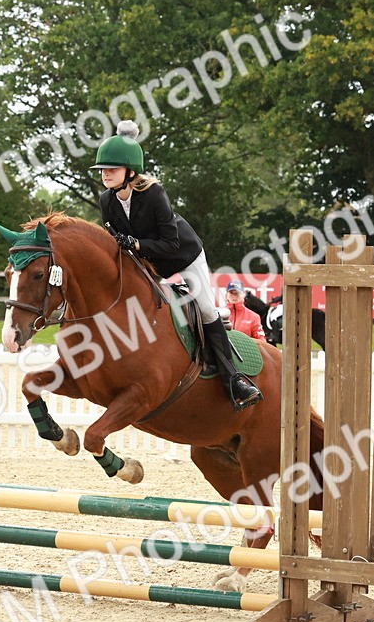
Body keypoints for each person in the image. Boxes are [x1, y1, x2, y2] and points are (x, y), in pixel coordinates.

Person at [92, 120, 262, 410]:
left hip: (183, 254)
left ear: (130, 172)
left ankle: (233, 379)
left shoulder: (154, 194)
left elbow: (170, 244)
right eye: (103, 169)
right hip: (148, 259)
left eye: (112, 168)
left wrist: (134, 243)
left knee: (206, 309)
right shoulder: (106, 200)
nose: (106, 173)